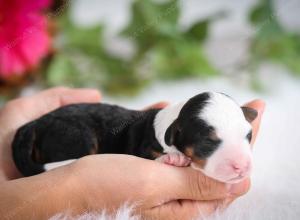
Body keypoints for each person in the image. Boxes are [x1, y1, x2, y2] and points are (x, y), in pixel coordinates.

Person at [0, 87, 265, 220]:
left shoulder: (172, 131)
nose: (241, 163)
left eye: (245, 135)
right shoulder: (152, 140)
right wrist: (71, 189)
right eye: (211, 144)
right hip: (70, 128)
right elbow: (140, 162)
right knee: (82, 140)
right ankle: (47, 165)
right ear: (175, 136)